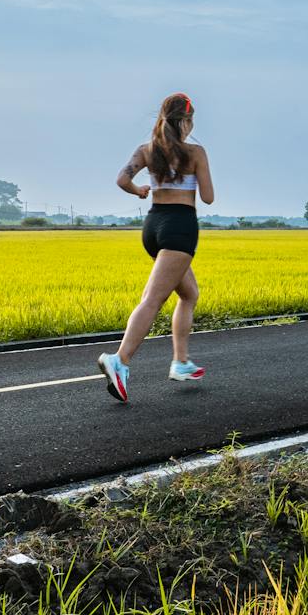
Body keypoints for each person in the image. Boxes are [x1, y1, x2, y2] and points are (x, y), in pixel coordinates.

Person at [97, 92, 215, 401]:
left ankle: (181, 361)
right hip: (180, 229)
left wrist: (139, 190)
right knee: (152, 300)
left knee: (189, 293)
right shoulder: (196, 153)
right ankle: (119, 360)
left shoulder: (147, 151)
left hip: (153, 227)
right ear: (186, 122)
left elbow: (122, 178)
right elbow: (208, 197)